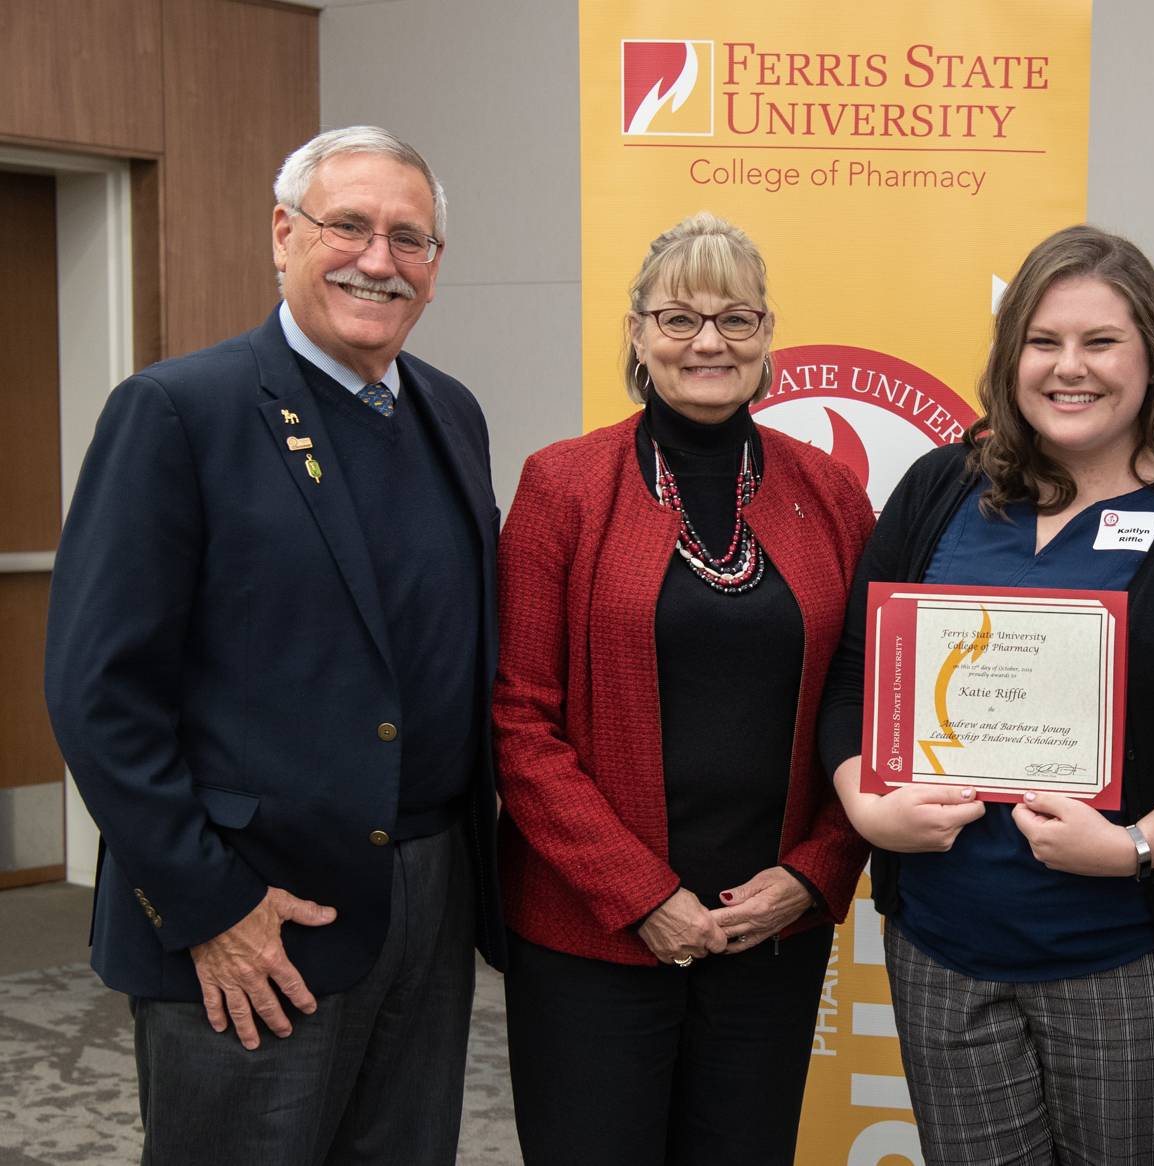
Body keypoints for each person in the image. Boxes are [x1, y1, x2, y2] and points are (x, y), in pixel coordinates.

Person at [43, 126, 503, 1164]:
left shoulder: (451, 413)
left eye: (409, 238)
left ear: (435, 266)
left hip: (427, 898)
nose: (378, 261)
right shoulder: (177, 412)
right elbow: (95, 690)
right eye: (349, 226)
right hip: (253, 916)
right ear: (283, 234)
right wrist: (212, 903)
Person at [818, 224, 1154, 1164]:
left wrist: (1135, 845)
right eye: (1043, 343)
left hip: (1142, 961)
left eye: (1100, 342)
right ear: (1012, 360)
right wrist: (861, 802)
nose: (1068, 368)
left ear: (1153, 357)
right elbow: (853, 676)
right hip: (945, 955)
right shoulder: (938, 490)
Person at [493, 211, 874, 1164]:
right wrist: (641, 894)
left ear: (767, 337)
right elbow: (518, 721)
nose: (709, 341)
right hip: (590, 936)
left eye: (737, 319)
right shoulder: (562, 487)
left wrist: (815, 875)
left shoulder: (831, 495)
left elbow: (870, 704)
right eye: (679, 318)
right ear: (637, 334)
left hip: (771, 932)